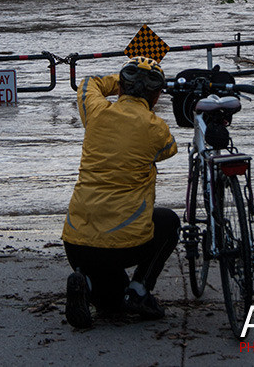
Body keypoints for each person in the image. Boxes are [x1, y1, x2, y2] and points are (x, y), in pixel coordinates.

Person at [62, 56, 179, 329]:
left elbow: (89, 83)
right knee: (168, 222)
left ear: (121, 87)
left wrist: (123, 81)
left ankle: (86, 282)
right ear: (156, 94)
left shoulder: (97, 113)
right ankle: (139, 290)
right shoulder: (155, 128)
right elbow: (169, 150)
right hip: (124, 245)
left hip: (76, 243)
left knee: (110, 304)